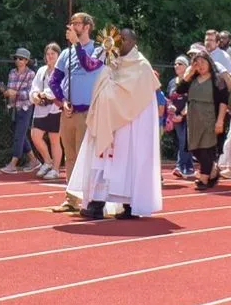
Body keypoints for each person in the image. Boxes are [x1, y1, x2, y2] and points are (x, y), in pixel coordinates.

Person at [69, 29, 164, 220]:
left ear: (134, 41)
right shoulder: (112, 62)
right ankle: (96, 204)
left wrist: (113, 98)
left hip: (130, 127)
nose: (121, 43)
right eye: (119, 39)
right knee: (102, 163)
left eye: (126, 39)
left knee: (127, 164)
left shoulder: (142, 67)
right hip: (108, 122)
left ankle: (130, 205)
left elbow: (139, 100)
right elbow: (98, 77)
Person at [51, 14, 105, 211]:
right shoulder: (66, 53)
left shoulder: (99, 50)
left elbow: (89, 66)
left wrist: (76, 45)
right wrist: (62, 101)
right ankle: (72, 199)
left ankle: (90, 199)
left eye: (76, 24)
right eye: (71, 24)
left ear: (88, 26)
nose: (72, 27)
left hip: (89, 112)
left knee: (88, 157)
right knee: (71, 156)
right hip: (69, 113)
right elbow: (54, 80)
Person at [176, 46, 231, 190]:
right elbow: (179, 89)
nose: (200, 66)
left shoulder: (217, 80)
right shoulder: (192, 78)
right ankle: (212, 169)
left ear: (209, 63)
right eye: (197, 63)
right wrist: (190, 73)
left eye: (202, 62)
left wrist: (220, 120)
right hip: (193, 118)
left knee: (206, 148)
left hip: (209, 117)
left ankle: (204, 178)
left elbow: (224, 101)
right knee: (194, 149)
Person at [0, 47, 39, 174]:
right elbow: (10, 90)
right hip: (14, 108)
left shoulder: (31, 74)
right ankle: (34, 161)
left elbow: (30, 93)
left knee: (19, 136)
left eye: (21, 58)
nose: (18, 60)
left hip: (26, 108)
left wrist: (14, 93)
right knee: (21, 135)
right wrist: (6, 92)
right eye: (16, 58)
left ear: (27, 61)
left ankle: (13, 163)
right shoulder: (12, 72)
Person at [30, 41, 65, 180]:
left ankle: (56, 169)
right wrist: (35, 96)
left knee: (54, 139)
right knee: (35, 135)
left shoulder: (61, 71)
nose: (50, 57)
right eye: (48, 54)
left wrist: (46, 94)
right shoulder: (41, 70)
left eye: (53, 54)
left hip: (55, 109)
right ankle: (48, 161)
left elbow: (60, 89)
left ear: (58, 56)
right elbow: (34, 87)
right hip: (40, 110)